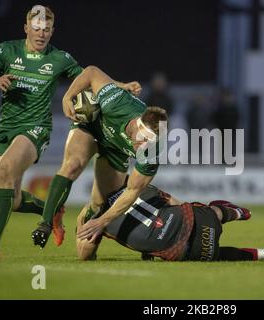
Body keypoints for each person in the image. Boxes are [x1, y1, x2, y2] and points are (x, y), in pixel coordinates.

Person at [0, 5, 83, 258]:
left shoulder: (60, 58)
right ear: (26, 29)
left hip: (36, 128)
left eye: (46, 29)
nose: (41, 34)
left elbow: (87, 79)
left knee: (6, 168)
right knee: (14, 197)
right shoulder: (6, 50)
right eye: (36, 28)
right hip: (6, 128)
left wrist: (115, 89)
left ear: (52, 31)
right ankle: (51, 211)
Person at [31, 65, 168, 249]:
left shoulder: (152, 150)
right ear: (138, 124)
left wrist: (102, 221)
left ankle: (90, 215)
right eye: (143, 139)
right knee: (73, 164)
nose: (143, 146)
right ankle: (46, 223)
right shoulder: (117, 102)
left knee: (97, 211)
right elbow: (91, 72)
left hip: (115, 151)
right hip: (92, 128)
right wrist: (67, 97)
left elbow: (132, 191)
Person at [76, 183, 264, 262]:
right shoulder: (141, 186)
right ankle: (238, 213)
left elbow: (84, 255)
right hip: (192, 221)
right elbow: (175, 202)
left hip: (174, 250)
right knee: (203, 210)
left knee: (216, 254)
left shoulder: (93, 218)